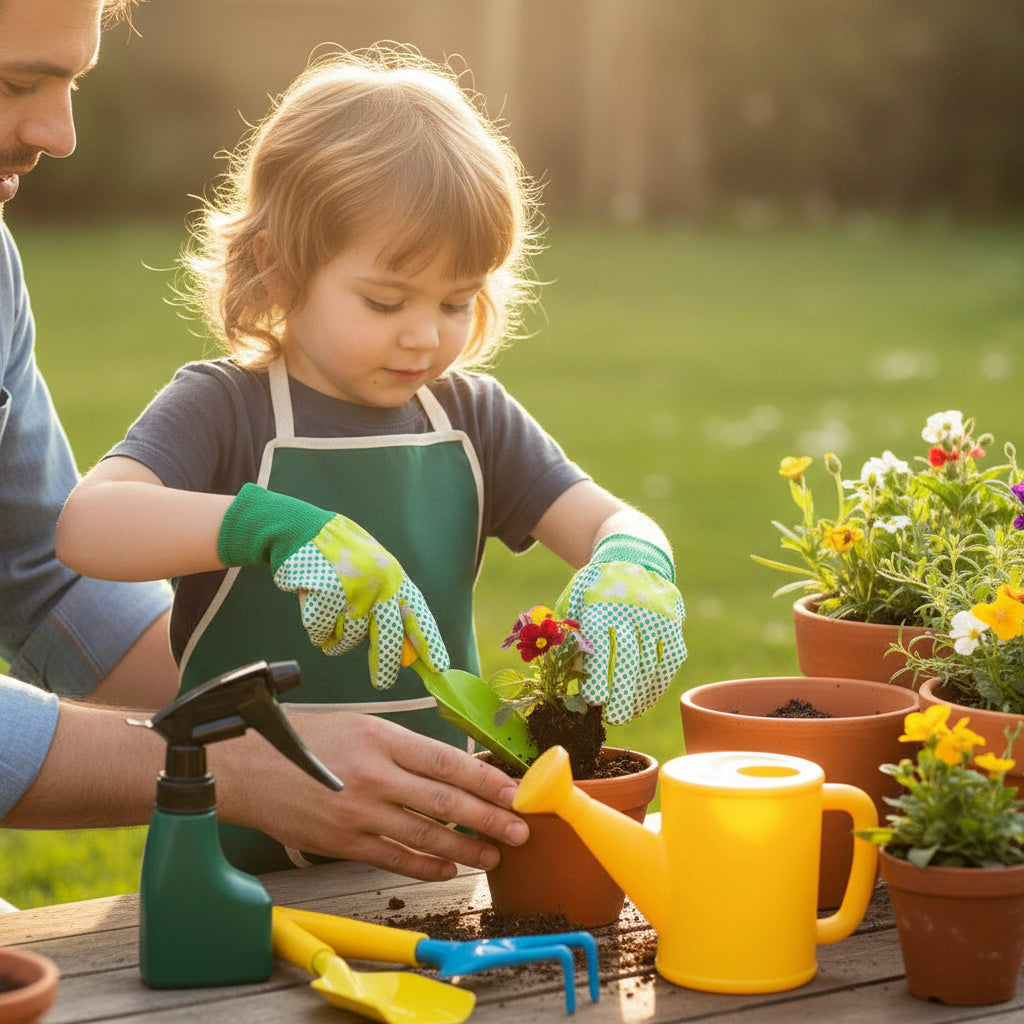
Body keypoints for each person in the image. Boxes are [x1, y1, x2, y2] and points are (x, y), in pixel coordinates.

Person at [55, 44, 688, 871]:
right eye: (386, 302)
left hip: (432, 838)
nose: (425, 336)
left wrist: (634, 560)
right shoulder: (226, 408)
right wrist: (270, 526)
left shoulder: (472, 418)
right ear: (276, 267)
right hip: (236, 844)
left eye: (457, 301)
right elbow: (88, 525)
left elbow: (612, 520)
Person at [1, 0, 529, 887]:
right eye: (15, 82)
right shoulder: (223, 405)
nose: (62, 135)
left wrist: (278, 710)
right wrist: (228, 764)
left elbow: (41, 577)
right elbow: (87, 527)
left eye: (72, 85)